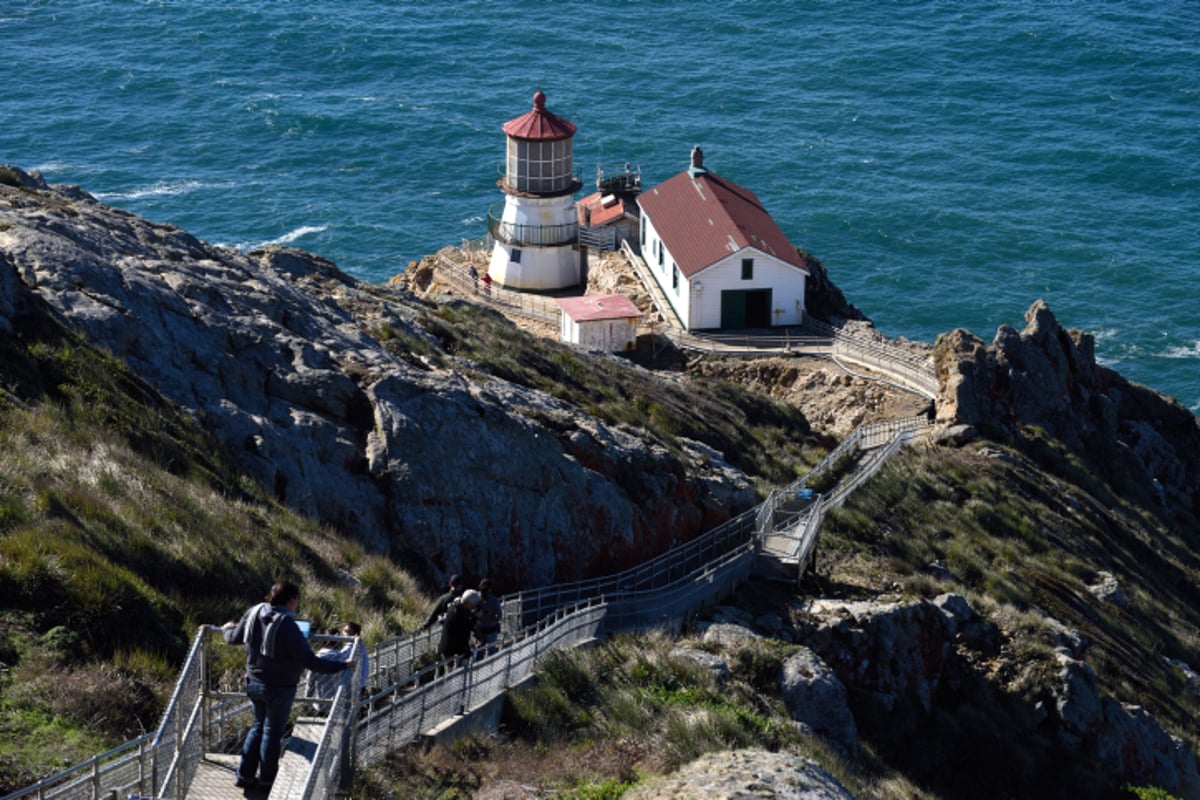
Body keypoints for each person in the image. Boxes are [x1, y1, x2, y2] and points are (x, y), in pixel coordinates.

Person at [223, 581, 355, 791]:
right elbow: (311, 662)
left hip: (253, 682)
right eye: (297, 600)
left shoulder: (254, 612)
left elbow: (233, 637)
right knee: (272, 733)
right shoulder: (288, 625)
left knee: (258, 726)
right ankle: (267, 781)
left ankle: (244, 776)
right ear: (292, 599)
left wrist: (225, 629)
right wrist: (342, 665)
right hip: (279, 688)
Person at [438, 588, 481, 663]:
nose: (473, 607)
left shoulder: (456, 606)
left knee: (457, 671)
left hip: (451, 647)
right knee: (454, 672)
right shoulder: (458, 612)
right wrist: (475, 617)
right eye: (473, 605)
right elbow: (464, 629)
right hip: (452, 649)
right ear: (468, 603)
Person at [474, 578, 502, 653]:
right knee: (491, 652)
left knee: (478, 652)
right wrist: (492, 617)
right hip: (491, 629)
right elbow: (499, 616)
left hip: (479, 630)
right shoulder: (494, 600)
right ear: (490, 588)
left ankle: (477, 664)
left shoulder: (475, 598)